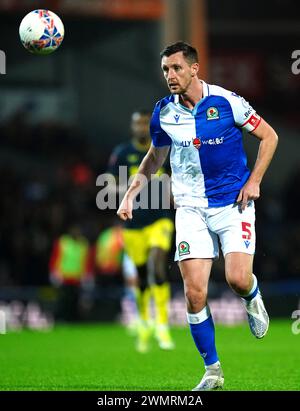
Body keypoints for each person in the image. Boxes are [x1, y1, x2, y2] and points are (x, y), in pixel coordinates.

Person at [117, 42, 278, 389]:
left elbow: (270, 136)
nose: (170, 76)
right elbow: (154, 157)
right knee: (194, 294)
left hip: (233, 203)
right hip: (190, 207)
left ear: (194, 68)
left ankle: (252, 297)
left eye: (176, 68)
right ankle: (212, 371)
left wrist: (255, 181)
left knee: (237, 279)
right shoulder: (163, 113)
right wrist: (131, 192)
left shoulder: (226, 101)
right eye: (165, 70)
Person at [108, 110, 175, 352]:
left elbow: (171, 180)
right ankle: (145, 321)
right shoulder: (123, 153)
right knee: (140, 276)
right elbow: (110, 185)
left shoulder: (163, 150)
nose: (141, 127)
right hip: (134, 224)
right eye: (137, 123)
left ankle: (163, 325)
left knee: (157, 265)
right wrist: (134, 184)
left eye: (145, 123)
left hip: (160, 220)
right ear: (132, 126)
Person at [49, 223, 91, 322]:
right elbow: (55, 257)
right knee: (63, 301)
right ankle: (62, 319)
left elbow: (86, 260)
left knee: (75, 302)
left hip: (77, 279)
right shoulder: (63, 242)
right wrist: (54, 272)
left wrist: (87, 275)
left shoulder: (83, 243)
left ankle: (74, 321)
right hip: (64, 278)